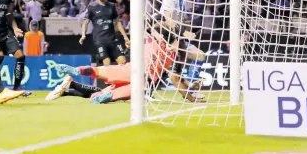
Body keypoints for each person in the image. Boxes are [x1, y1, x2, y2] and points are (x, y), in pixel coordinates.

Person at [45, 34, 204, 104]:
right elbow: (176, 80)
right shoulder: (170, 54)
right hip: (141, 78)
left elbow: (178, 80)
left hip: (133, 71)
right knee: (123, 90)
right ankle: (101, 94)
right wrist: (191, 97)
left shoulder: (163, 46)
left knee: (102, 74)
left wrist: (190, 87)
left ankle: (77, 74)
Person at [158, 0, 206, 97]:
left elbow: (178, 22)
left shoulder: (182, 0)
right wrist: (183, 33)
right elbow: (166, 19)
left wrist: (186, 31)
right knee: (165, 69)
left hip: (177, 38)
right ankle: (146, 90)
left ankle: (191, 89)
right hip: (166, 38)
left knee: (198, 56)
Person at [79, 0, 130, 66]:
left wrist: (125, 36)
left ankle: (117, 78)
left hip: (113, 39)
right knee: (107, 62)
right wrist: (83, 35)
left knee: (123, 61)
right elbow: (85, 23)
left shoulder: (112, 6)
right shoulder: (91, 7)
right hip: (100, 40)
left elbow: (118, 22)